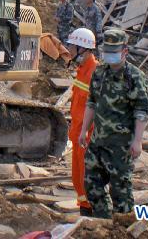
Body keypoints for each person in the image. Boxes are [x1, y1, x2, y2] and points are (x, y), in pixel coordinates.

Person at [78, 29, 148, 219]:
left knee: (120, 191)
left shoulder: (134, 77)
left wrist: (137, 141)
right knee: (91, 185)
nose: (109, 54)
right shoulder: (99, 73)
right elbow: (92, 102)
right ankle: (103, 222)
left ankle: (122, 228)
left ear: (124, 51)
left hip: (121, 146)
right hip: (98, 142)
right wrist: (84, 130)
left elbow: (142, 111)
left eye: (113, 50)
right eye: (107, 50)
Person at [65, 28, 98, 216]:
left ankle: (92, 213)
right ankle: (85, 209)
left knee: (87, 177)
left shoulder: (96, 72)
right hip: (79, 135)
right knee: (78, 177)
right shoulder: (82, 70)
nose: (69, 49)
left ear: (83, 49)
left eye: (71, 46)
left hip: (88, 137)